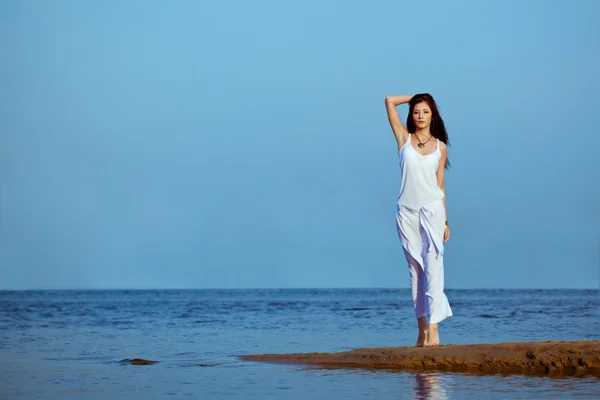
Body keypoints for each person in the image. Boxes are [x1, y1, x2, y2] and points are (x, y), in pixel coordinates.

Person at [384, 93, 453, 347]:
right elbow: (389, 100)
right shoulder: (403, 139)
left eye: (425, 111)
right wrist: (416, 97)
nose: (420, 116)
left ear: (432, 115)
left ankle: (434, 329)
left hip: (433, 212)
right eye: (416, 111)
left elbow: (441, 185)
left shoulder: (440, 147)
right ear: (411, 115)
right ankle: (421, 330)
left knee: (434, 267)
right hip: (407, 213)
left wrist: (446, 221)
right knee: (416, 271)